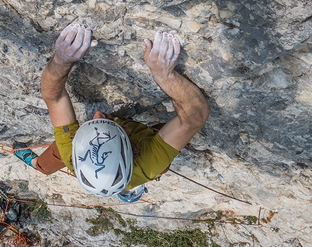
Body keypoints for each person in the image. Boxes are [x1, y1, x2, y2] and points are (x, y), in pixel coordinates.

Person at [13, 23, 210, 202]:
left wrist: (61, 60)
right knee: (166, 146)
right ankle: (37, 164)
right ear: (130, 146)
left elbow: (53, 97)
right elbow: (193, 118)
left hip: (81, 150)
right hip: (142, 150)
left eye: (93, 121)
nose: (97, 113)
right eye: (106, 120)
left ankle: (36, 163)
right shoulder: (149, 163)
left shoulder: (73, 154)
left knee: (45, 167)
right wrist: (165, 76)